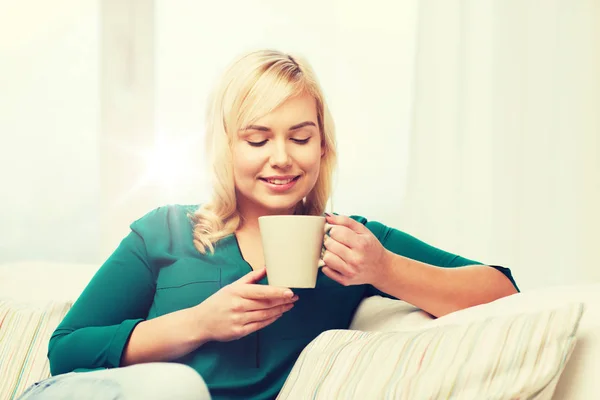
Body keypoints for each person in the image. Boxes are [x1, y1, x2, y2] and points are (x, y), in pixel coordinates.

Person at [18, 49, 519, 400]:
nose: (281, 158)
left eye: (300, 137)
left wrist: (385, 270)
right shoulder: (164, 231)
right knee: (177, 388)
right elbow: (66, 350)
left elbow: (502, 291)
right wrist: (199, 323)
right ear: (226, 147)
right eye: (257, 139)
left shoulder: (351, 243)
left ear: (323, 147)